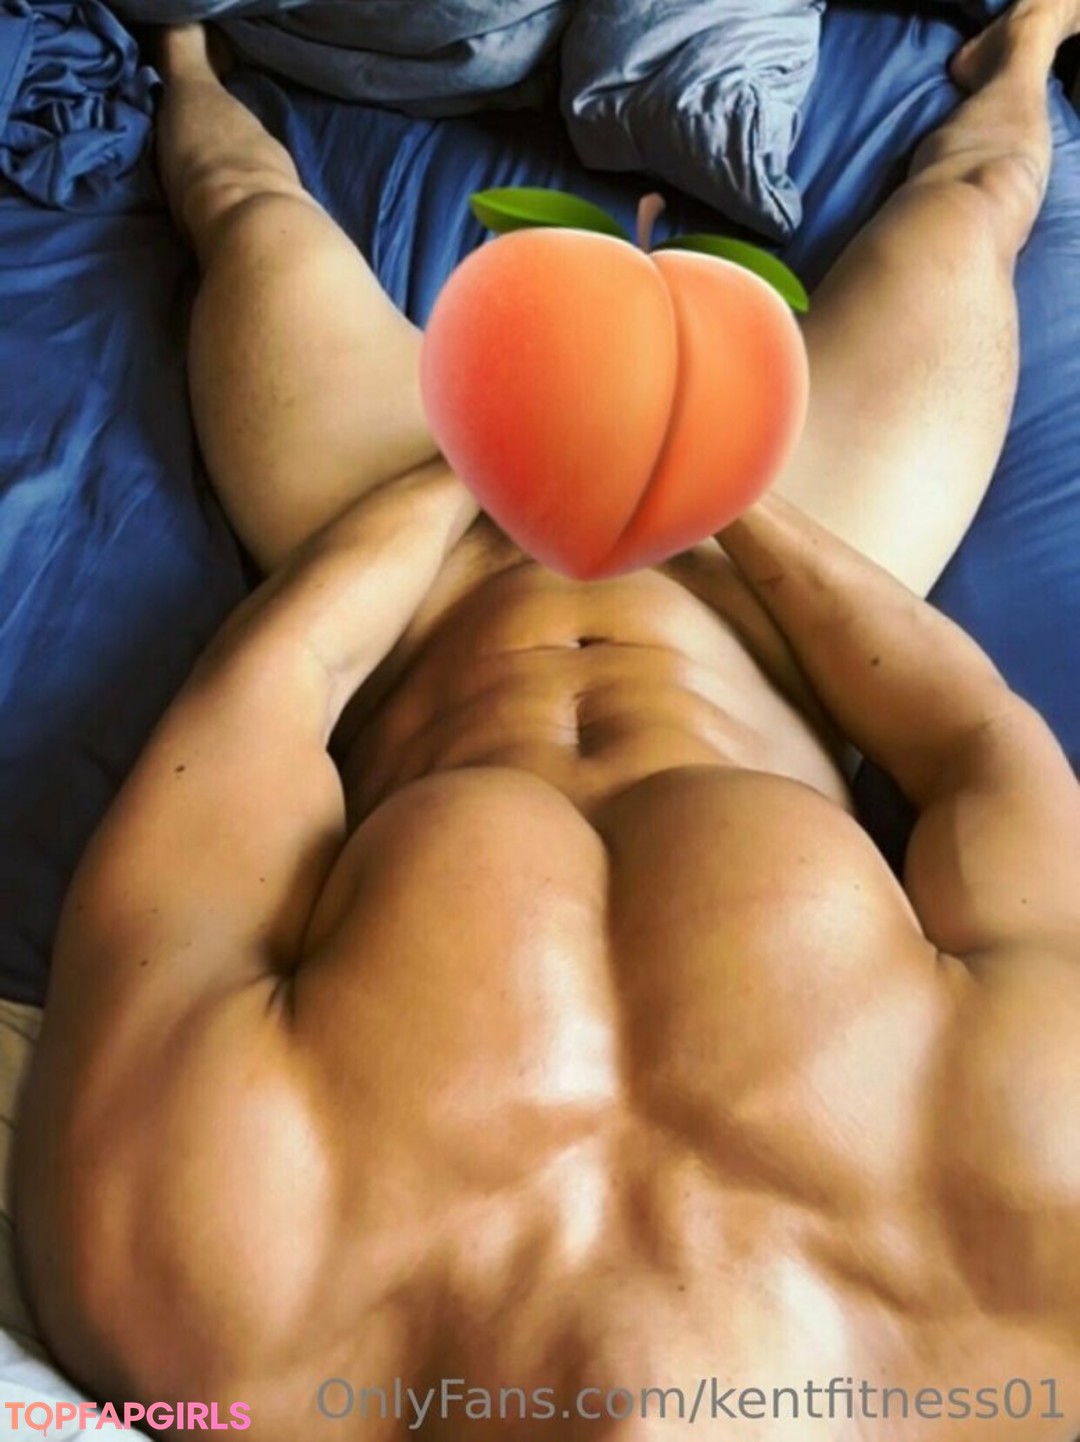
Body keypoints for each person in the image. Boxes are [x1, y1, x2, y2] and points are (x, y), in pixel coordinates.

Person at [15, 3, 1080, 1437]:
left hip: (415, 581)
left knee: (244, 210)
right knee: (978, 207)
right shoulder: (1035, 1288)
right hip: (781, 588)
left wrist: (467, 475)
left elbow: (258, 713)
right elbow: (977, 752)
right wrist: (728, 496)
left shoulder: (201, 1308)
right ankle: (1029, 47)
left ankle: (186, 47)